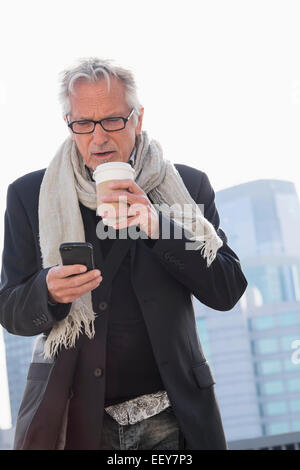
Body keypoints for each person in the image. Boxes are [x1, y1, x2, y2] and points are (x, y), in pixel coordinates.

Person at [0, 57, 247, 450]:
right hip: (76, 416)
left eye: (113, 120)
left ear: (137, 118)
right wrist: (48, 291)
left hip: (174, 414)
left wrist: (159, 227)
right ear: (69, 123)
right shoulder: (31, 196)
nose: (98, 138)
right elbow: (10, 309)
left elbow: (227, 289)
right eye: (83, 123)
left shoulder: (186, 187)